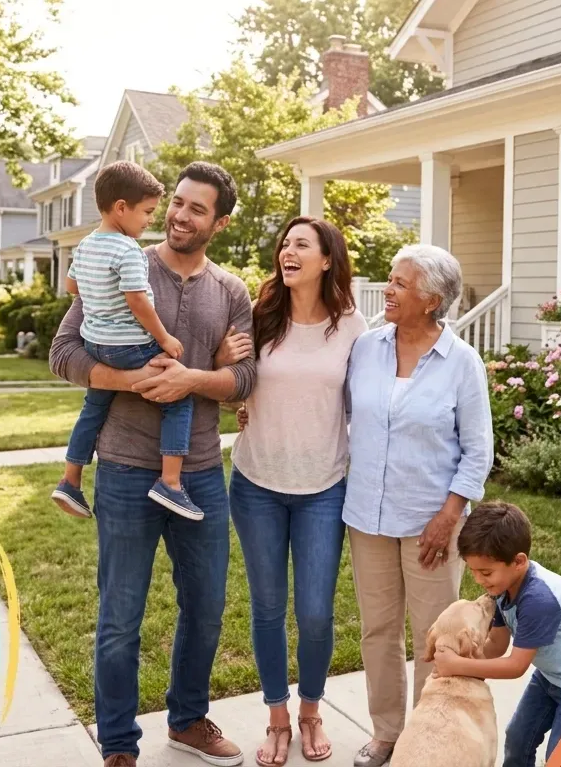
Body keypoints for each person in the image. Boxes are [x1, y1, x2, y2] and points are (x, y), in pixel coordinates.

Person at [49, 161, 257, 767]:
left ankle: (188, 719)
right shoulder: (122, 261)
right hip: (122, 468)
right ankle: (117, 744)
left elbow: (243, 380)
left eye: (197, 208)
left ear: (217, 222)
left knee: (206, 606)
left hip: (198, 472)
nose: (180, 215)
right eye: (177, 203)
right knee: (120, 615)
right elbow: (65, 352)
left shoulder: (231, 291)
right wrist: (137, 379)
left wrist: (196, 377)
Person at [343, 244, 494, 767]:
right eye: (390, 280)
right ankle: (387, 733)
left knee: (438, 638)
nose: (387, 290)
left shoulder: (461, 363)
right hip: (367, 516)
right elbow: (335, 410)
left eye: (399, 283)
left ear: (430, 300)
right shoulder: (366, 348)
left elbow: (478, 450)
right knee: (377, 629)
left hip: (434, 521)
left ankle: (434, 736)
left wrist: (449, 515)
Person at [231, 217, 367, 765]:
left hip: (324, 487)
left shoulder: (355, 328)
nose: (288, 251)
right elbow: (232, 378)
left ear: (327, 260)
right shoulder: (260, 317)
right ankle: (277, 719)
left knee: (314, 612)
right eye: (284, 244)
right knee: (267, 608)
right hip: (256, 482)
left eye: (301, 245)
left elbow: (367, 405)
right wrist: (234, 395)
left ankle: (311, 711)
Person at [52, 160, 200, 522]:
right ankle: (170, 482)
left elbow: (72, 288)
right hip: (129, 345)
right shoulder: (127, 249)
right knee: (178, 397)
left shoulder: (87, 245)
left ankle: (70, 480)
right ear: (121, 208)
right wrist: (164, 338)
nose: (151, 220)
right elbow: (137, 300)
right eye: (147, 212)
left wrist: (99, 293)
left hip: (96, 345)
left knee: (94, 408)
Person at [431, 502, 561, 767]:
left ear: (519, 562)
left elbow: (516, 666)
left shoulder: (538, 600)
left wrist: (458, 665)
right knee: (518, 738)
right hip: (551, 676)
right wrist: (458, 666)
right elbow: (496, 644)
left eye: (485, 572)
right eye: (472, 571)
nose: (478, 580)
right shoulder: (501, 588)